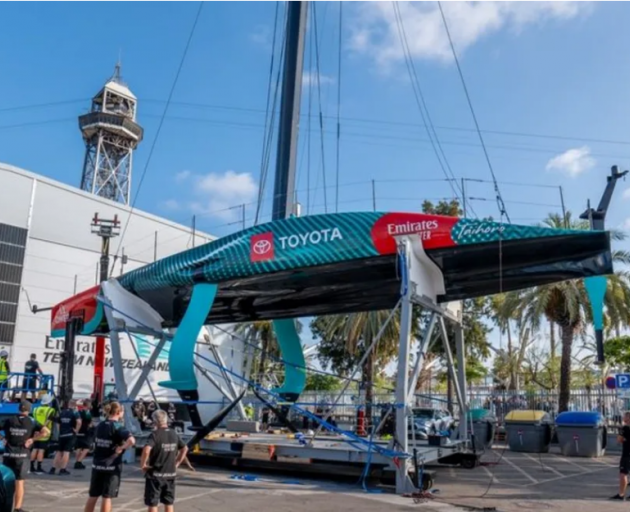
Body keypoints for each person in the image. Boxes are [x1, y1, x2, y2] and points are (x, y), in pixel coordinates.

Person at [85, 401, 135, 512]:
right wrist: (122, 448)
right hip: (111, 466)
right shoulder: (117, 426)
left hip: (97, 464)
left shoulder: (100, 425)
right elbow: (131, 440)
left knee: (93, 495)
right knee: (107, 496)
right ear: (119, 412)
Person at [0, 401, 50, 512]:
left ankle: (3, 505)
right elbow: (46, 431)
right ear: (29, 410)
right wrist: (33, 439)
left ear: (18, 409)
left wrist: (3, 439)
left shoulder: (9, 420)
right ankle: (17, 508)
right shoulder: (31, 421)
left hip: (8, 454)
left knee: (5, 481)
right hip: (22, 456)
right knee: (20, 481)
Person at [140, 409, 188, 512]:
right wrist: (177, 462)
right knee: (169, 502)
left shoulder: (155, 434)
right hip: (170, 473)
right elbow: (185, 448)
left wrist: (143, 464)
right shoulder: (173, 434)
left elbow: (146, 449)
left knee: (153, 503)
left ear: (155, 421)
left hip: (156, 474)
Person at [50, 399, 81, 475]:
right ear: (75, 405)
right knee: (66, 452)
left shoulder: (62, 412)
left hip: (62, 435)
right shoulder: (75, 412)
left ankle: (53, 469)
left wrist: (61, 431)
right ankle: (62, 469)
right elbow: (79, 422)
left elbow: (58, 423)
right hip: (70, 434)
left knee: (59, 452)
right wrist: (76, 430)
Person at [30, 394, 56, 474]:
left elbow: (32, 420)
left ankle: (31, 467)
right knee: (41, 450)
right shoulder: (51, 410)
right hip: (44, 432)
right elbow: (48, 421)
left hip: (35, 432)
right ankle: (39, 467)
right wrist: (42, 429)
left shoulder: (35, 409)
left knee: (35, 449)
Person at [75, 399, 95, 469]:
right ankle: (79, 462)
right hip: (85, 432)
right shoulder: (87, 413)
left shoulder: (78, 412)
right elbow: (90, 423)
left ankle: (76, 461)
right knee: (87, 448)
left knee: (78, 447)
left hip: (78, 432)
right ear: (88, 405)